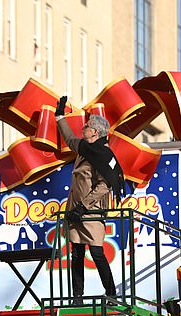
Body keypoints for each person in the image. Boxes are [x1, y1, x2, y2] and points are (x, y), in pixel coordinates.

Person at [54, 96, 125, 305]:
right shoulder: (86, 148)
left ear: (95, 132)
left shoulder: (102, 154)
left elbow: (105, 185)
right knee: (76, 253)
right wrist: (60, 117)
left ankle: (111, 293)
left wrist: (85, 206)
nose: (83, 129)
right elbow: (69, 140)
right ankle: (77, 297)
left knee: (96, 252)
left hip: (91, 210)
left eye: (86, 127)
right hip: (75, 208)